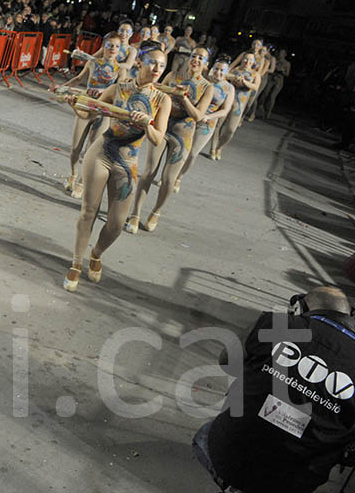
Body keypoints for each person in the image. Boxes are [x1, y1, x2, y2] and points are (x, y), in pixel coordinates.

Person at [194, 286, 355, 493]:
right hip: (293, 484)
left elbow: (227, 361)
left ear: (298, 308)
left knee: (208, 431)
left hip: (225, 457)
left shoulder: (277, 325)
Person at [62, 40, 171, 292]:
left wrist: (147, 123)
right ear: (140, 62)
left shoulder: (161, 99)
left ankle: (96, 254)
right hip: (101, 152)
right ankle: (76, 263)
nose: (157, 68)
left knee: (117, 223)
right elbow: (90, 114)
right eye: (153, 62)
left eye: (162, 65)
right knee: (88, 211)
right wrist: (74, 106)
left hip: (128, 162)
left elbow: (157, 138)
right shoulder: (118, 87)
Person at [126, 46, 213, 233]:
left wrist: (183, 98)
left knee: (168, 178)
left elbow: (198, 116)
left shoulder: (207, 87)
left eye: (201, 58)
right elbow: (156, 93)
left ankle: (156, 211)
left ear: (206, 65)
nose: (196, 59)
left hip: (183, 135)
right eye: (193, 55)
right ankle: (135, 214)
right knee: (148, 172)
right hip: (161, 127)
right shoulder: (173, 75)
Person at [57, 31, 122, 199]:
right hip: (85, 107)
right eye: (110, 45)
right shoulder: (93, 63)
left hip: (103, 112)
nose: (113, 49)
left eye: (116, 46)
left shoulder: (120, 70)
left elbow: (121, 93)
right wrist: (62, 88)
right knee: (75, 149)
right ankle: (72, 174)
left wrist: (102, 92)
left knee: (90, 151)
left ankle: (81, 183)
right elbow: (78, 79)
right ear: (104, 46)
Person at [173, 54, 235, 192]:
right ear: (212, 68)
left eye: (222, 71)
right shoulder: (204, 81)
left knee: (193, 153)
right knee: (182, 149)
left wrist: (208, 116)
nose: (218, 73)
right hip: (190, 118)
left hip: (207, 123)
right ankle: (171, 176)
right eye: (216, 69)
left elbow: (225, 110)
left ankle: (179, 177)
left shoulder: (229, 88)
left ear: (227, 72)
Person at [210, 52, 260, 160]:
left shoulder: (255, 74)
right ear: (242, 59)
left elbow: (255, 87)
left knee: (231, 130)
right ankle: (213, 149)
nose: (247, 62)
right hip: (227, 101)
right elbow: (224, 75)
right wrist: (234, 77)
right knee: (218, 125)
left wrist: (244, 82)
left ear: (254, 63)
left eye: (251, 60)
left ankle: (219, 148)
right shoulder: (235, 70)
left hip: (239, 106)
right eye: (246, 59)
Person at [259, 49, 290, 120]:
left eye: (282, 53)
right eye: (279, 53)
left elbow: (287, 74)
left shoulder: (287, 63)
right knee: (265, 93)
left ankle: (268, 112)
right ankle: (261, 107)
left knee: (272, 96)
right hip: (271, 78)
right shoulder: (274, 60)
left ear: (285, 55)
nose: (280, 54)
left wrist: (282, 71)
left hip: (279, 80)